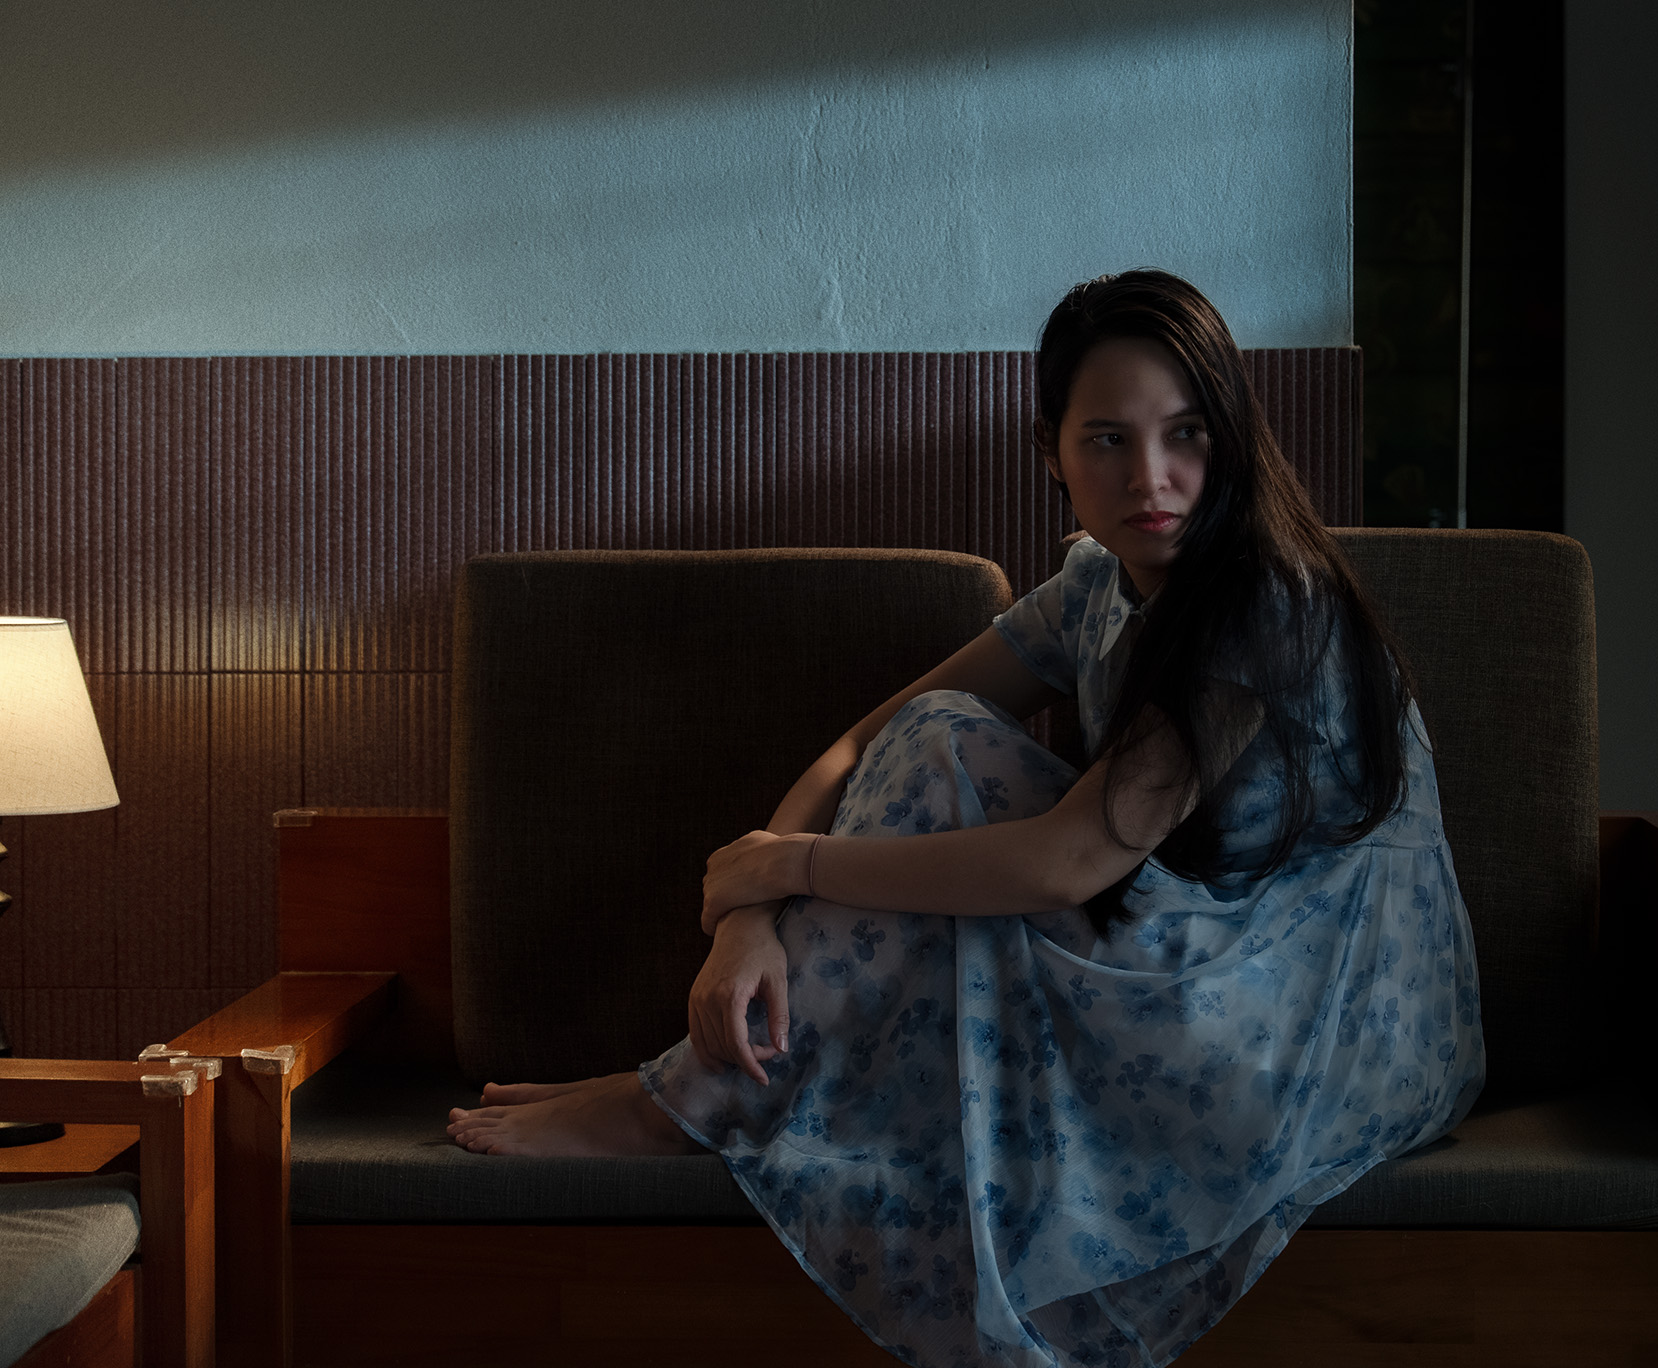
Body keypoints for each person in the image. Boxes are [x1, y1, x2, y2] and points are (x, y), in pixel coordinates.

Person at [447, 269, 1485, 1368]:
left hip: (1319, 1030)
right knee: (938, 734)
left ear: (1231, 433)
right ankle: (697, 1091)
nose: (1152, 478)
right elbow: (864, 744)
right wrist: (747, 917)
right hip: (1192, 957)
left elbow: (1066, 862)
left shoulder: (1261, 605)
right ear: (1053, 455)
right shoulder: (1101, 588)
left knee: (951, 764)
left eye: (1187, 433)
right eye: (1107, 440)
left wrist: (786, 868)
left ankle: (683, 1104)